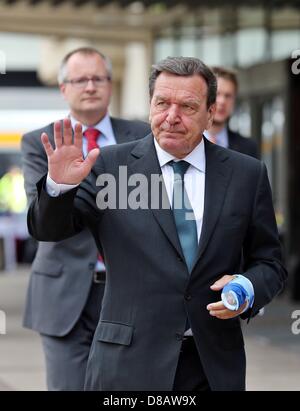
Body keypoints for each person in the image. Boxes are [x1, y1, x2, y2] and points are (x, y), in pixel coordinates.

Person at [27, 56, 287, 391]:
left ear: (211, 114)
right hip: (129, 365)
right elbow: (50, 230)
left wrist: (247, 288)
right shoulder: (110, 167)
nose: (171, 117)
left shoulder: (246, 174)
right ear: (150, 105)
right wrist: (59, 188)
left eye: (188, 106)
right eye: (162, 103)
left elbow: (270, 262)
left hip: (213, 365)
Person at [22, 47, 150, 391]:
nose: (90, 86)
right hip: (63, 294)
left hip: (128, 292)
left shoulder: (142, 137)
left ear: (110, 84)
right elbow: (44, 226)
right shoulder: (40, 143)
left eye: (98, 78)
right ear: (64, 88)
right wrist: (59, 184)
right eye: (80, 79)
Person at [205, 66, 258, 158]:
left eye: (228, 96)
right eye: (217, 94)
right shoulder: (188, 143)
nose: (222, 101)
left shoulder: (248, 147)